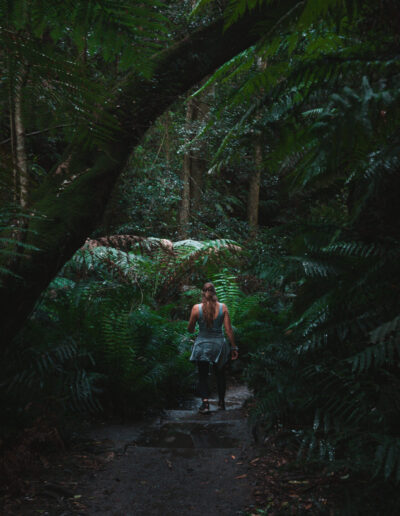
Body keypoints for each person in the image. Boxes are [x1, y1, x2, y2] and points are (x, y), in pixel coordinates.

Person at [188, 282, 239, 414]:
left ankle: (205, 404)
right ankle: (221, 403)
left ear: (202, 293)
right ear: (215, 293)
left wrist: (196, 328)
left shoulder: (196, 308)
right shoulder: (223, 307)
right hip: (219, 346)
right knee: (220, 375)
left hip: (202, 345)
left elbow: (190, 329)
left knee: (203, 376)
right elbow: (228, 330)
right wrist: (234, 347)